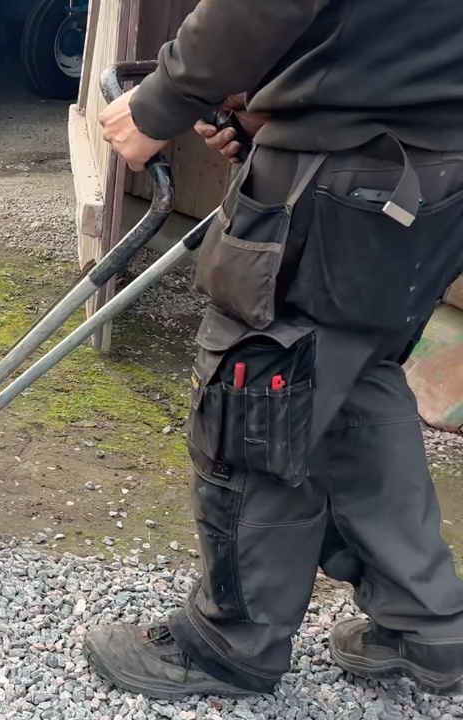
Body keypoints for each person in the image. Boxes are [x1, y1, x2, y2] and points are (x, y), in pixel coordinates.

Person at [84, 0, 463, 700]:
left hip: (341, 176)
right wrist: (275, 104)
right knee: (355, 387)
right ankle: (427, 623)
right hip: (436, 176)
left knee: (258, 386)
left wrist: (162, 100)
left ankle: (231, 643)